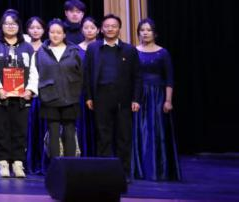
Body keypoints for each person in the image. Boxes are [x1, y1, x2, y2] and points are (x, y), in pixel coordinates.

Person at [84, 14, 142, 177]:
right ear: (101, 29)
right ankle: (104, 173)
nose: (110, 29)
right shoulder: (93, 48)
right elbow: (87, 74)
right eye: (107, 26)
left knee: (123, 136)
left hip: (123, 98)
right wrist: (89, 96)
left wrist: (136, 99)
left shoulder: (129, 50)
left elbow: (137, 76)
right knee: (103, 136)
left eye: (114, 26)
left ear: (119, 29)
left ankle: (123, 173)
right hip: (101, 97)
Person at [0, 10, 39, 178]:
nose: (10, 27)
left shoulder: (27, 46)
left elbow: (34, 70)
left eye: (14, 24)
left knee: (20, 130)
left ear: (19, 26)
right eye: (7, 24)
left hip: (22, 97)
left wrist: (30, 90)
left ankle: (18, 163)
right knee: (1, 131)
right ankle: (3, 163)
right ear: (1, 26)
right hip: (0, 96)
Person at [132, 18, 179, 181]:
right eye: (142, 30)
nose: (145, 33)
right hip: (139, 95)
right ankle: (140, 170)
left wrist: (168, 100)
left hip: (158, 95)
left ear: (155, 33)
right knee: (139, 131)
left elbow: (169, 78)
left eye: (148, 30)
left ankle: (159, 169)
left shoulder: (163, 53)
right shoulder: (134, 51)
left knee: (157, 131)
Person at [37, 19, 83, 160]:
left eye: (58, 32)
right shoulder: (41, 51)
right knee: (53, 131)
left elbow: (82, 73)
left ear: (64, 34)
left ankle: (70, 165)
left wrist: (77, 90)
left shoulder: (74, 51)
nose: (55, 35)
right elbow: (36, 73)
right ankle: (55, 165)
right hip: (49, 96)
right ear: (48, 33)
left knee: (69, 131)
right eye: (52, 32)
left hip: (70, 96)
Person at [24, 15, 48, 174]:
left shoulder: (47, 48)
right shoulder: (23, 47)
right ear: (27, 30)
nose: (35, 31)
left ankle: (41, 162)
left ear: (44, 30)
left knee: (41, 131)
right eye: (32, 28)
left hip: (43, 96)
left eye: (38, 28)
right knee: (27, 131)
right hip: (24, 94)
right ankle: (27, 162)